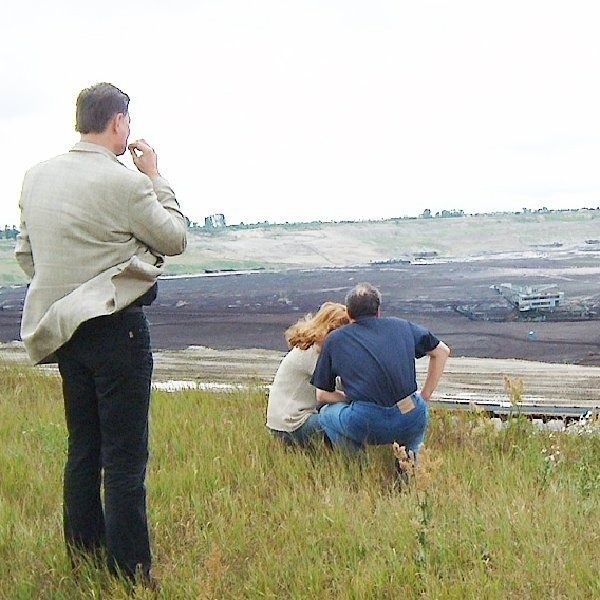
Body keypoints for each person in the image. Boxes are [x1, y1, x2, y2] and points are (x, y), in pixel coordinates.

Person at [15, 82, 187, 583]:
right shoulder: (126, 182)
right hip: (118, 330)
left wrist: (66, 287)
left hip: (67, 331)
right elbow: (174, 237)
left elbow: (27, 256)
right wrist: (154, 175)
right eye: (127, 123)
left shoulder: (35, 177)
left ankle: (85, 558)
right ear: (117, 123)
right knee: (125, 455)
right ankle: (131, 570)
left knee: (83, 448)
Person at [312, 283, 450, 458]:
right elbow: (442, 351)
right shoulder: (403, 327)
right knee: (414, 433)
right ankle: (410, 468)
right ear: (378, 310)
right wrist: (425, 395)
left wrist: (351, 399)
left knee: (325, 415)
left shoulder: (335, 340)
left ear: (348, 312)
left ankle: (358, 465)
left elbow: (322, 395)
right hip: (410, 412)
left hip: (366, 421)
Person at [266, 302, 349, 445]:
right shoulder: (313, 353)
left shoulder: (311, 348)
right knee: (343, 419)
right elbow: (329, 392)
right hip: (291, 425)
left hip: (282, 424)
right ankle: (353, 461)